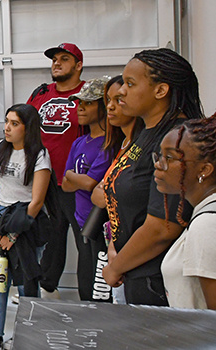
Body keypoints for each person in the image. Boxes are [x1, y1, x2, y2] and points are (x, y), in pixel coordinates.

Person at [101, 48, 204, 306]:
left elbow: (163, 226)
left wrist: (115, 267)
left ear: (161, 91)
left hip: (157, 280)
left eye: (130, 84)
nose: (121, 90)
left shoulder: (177, 140)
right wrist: (115, 243)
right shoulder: (144, 131)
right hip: (132, 269)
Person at [0, 104, 51, 349]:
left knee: (26, 281)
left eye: (14, 124)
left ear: (28, 128)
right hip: (1, 216)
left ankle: (29, 334)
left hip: (26, 220)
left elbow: (37, 201)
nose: (7, 128)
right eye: (7, 122)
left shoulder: (39, 155)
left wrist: (13, 234)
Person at [26, 43, 86, 298]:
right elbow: (24, 128)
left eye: (64, 59)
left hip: (74, 180)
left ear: (78, 65)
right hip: (42, 180)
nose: (57, 63)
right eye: (54, 59)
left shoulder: (89, 94)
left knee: (86, 241)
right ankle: (47, 287)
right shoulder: (41, 93)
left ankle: (92, 296)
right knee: (49, 234)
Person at [90, 75, 143, 303]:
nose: (110, 106)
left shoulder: (142, 146)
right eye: (108, 100)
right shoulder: (120, 144)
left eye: (119, 99)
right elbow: (97, 196)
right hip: (113, 241)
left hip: (130, 249)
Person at [61, 77, 113, 303]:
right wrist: (77, 178)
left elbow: (92, 184)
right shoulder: (79, 142)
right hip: (82, 221)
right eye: (79, 102)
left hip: (102, 226)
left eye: (89, 103)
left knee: (100, 290)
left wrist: (77, 178)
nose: (80, 108)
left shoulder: (110, 143)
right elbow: (66, 182)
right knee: (85, 284)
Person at [157, 117, 216, 310]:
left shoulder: (206, 224)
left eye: (170, 158)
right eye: (159, 155)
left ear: (204, 170)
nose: (159, 164)